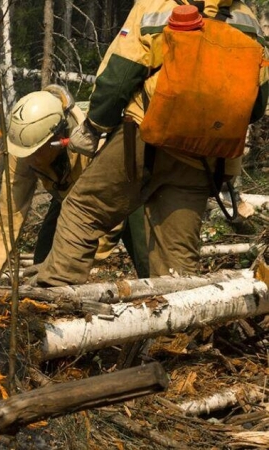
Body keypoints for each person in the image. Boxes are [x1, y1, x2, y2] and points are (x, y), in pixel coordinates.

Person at [36, 0, 269, 287]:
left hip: (145, 139)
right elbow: (256, 105)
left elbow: (119, 76)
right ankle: (176, 330)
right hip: (203, 159)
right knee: (177, 263)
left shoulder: (156, 5)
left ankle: (59, 297)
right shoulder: (249, 22)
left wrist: (95, 126)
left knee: (84, 209)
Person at [0, 86, 149, 279]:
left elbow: (108, 221)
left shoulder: (97, 143)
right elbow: (8, 213)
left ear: (58, 139)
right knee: (44, 257)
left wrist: (64, 265)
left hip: (129, 187)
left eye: (35, 154)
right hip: (71, 195)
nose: (28, 161)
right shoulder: (24, 148)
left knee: (147, 259)